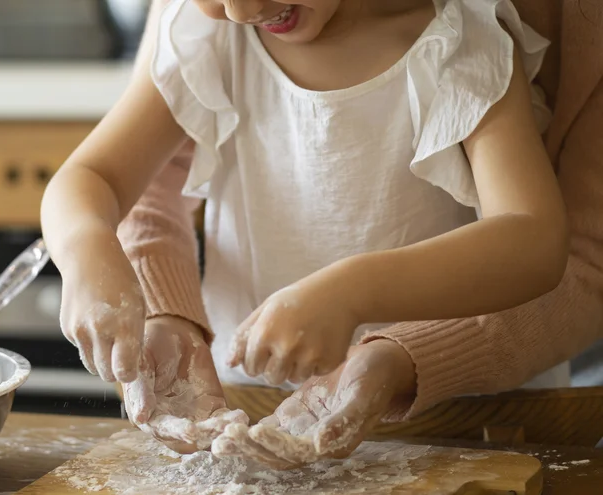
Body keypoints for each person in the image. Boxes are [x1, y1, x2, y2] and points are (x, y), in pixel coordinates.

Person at [40, 0, 587, 466]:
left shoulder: (456, 40)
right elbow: (92, 177)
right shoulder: (210, 36)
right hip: (249, 416)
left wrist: (355, 293)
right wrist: (86, 249)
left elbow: (532, 239)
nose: (242, 9)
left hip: (463, 430)